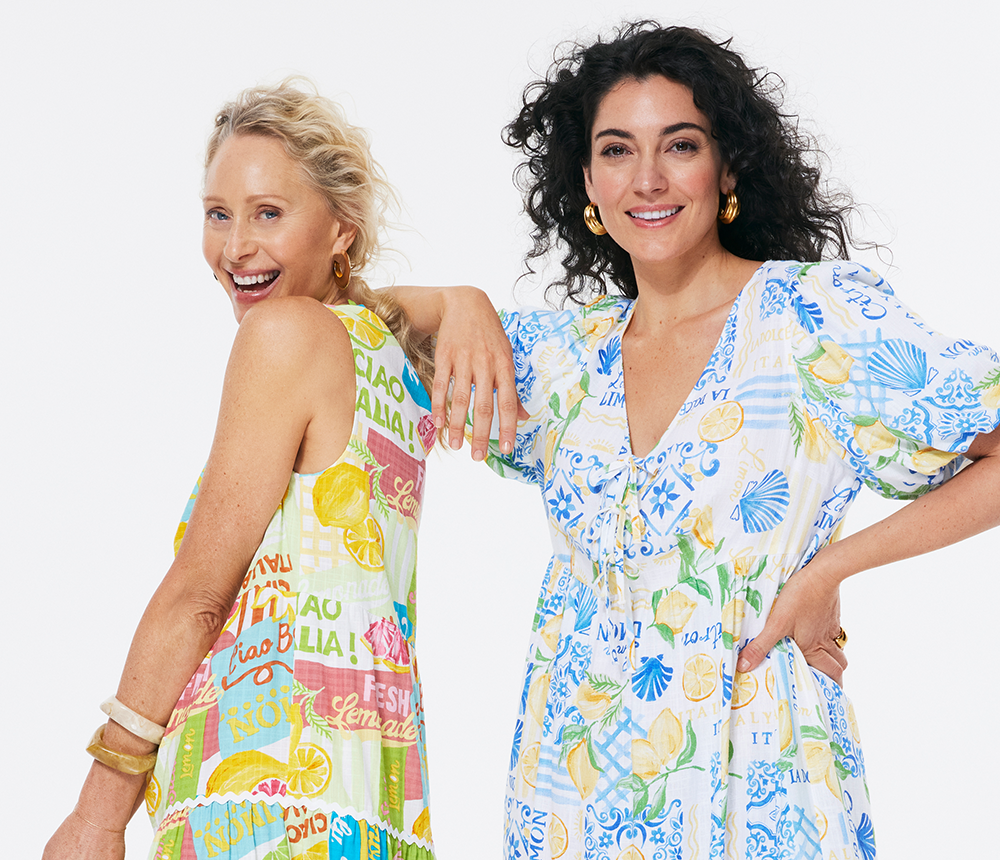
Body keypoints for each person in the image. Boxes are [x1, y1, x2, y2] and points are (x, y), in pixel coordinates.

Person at [401, 21, 1000, 859]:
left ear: (727, 169)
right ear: (587, 182)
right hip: (571, 796)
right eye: (616, 150)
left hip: (761, 787)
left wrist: (828, 569)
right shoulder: (562, 360)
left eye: (679, 145)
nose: (647, 178)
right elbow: (340, 323)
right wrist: (458, 301)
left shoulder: (808, 320)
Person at [44, 81, 439, 860]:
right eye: (218, 213)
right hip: (375, 797)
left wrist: (96, 817)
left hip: (261, 795)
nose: (234, 248)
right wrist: (458, 302)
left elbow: (199, 597)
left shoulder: (285, 335)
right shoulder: (393, 359)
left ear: (341, 229)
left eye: (268, 213)